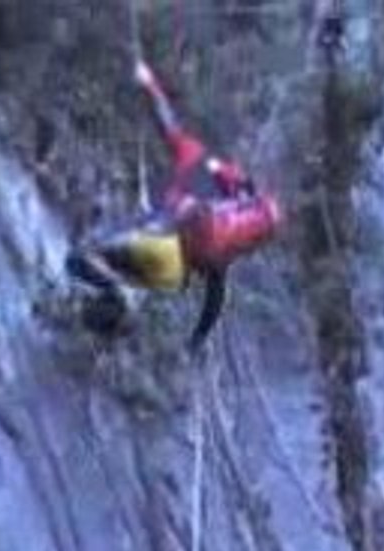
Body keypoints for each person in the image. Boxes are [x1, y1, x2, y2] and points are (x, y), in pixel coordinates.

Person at [66, 58, 282, 351]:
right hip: (170, 276)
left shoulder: (197, 158)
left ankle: (115, 294)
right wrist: (197, 339)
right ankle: (103, 322)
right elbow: (215, 297)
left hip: (159, 239)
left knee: (81, 258)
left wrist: (147, 81)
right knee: (117, 277)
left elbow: (165, 120)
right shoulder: (227, 224)